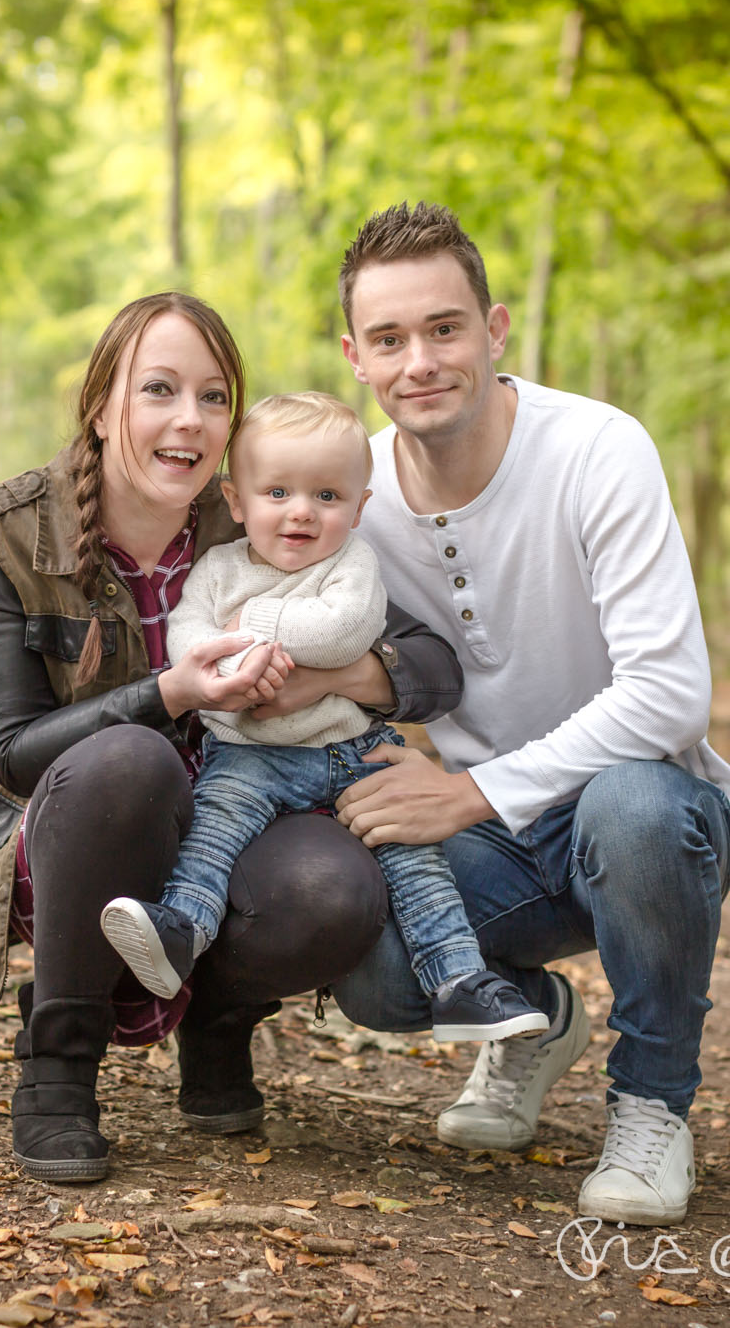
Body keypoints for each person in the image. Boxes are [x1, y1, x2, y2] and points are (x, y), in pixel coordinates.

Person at [0, 292, 466, 1184]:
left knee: (333, 886)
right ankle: (59, 1065)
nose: (189, 420)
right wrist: (172, 691)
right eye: (159, 390)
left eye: (214, 397)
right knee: (131, 759)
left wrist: (332, 677)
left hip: (239, 811)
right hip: (82, 834)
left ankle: (218, 1019)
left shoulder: (259, 517)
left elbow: (431, 665)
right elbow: (12, 753)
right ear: (102, 407)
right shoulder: (4, 536)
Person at [322, 203, 730, 1226]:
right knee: (371, 964)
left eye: (443, 328)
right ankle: (531, 1022)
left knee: (633, 808)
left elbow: (667, 692)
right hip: (503, 844)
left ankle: (652, 1103)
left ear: (494, 328)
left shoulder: (597, 448)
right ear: (354, 356)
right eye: (388, 339)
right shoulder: (356, 491)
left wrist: (467, 791)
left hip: (648, 818)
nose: (418, 360)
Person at [97, 391, 548, 1044]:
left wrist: (251, 627)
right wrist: (231, 673)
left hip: (351, 746)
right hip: (250, 752)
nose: (301, 512)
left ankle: (459, 982)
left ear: (359, 507)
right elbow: (190, 641)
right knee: (214, 828)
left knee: (414, 856)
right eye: (277, 492)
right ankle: (179, 930)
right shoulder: (218, 569)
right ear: (235, 500)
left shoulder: (352, 566)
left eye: (327, 496)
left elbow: (342, 632)